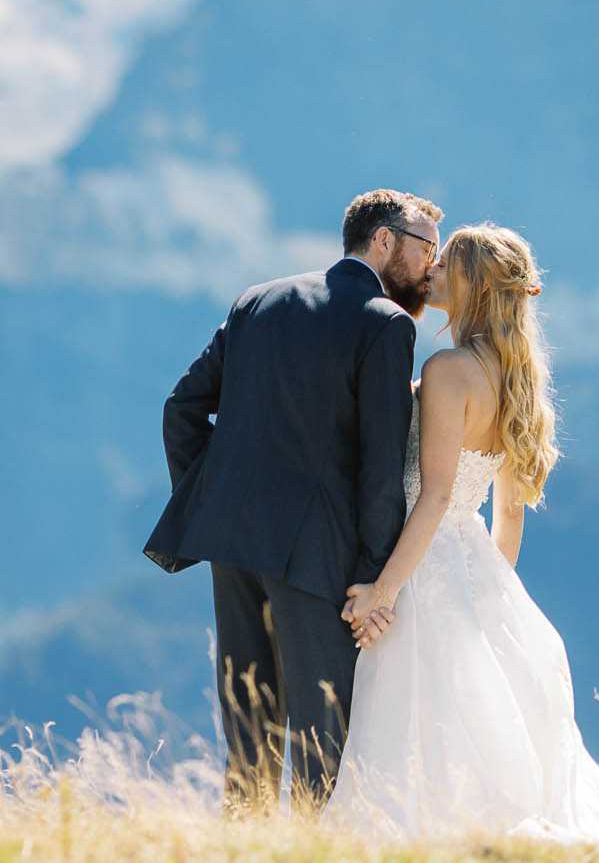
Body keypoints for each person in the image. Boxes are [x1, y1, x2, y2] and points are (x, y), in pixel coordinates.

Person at [324, 222, 599, 858]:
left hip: (421, 563)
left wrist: (383, 592)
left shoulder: (448, 370)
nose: (432, 272)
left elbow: (433, 496)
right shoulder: (516, 380)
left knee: (413, 728)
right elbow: (509, 516)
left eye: (446, 264)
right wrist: (487, 595)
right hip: (473, 565)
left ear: (474, 284)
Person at [142, 188, 442, 808]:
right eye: (425, 248)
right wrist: (372, 582)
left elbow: (182, 409)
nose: (430, 266)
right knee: (320, 739)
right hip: (319, 563)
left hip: (235, 550)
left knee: (248, 732)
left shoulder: (258, 300)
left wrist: (214, 502)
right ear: (383, 241)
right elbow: (381, 469)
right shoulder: (384, 323)